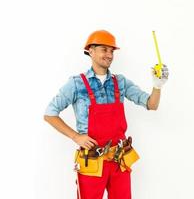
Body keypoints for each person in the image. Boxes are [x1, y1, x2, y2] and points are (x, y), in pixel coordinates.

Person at [44, 30, 169, 199]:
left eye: (112, 51)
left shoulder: (120, 82)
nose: (109, 55)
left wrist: (157, 85)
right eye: (104, 49)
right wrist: (76, 137)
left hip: (119, 160)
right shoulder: (76, 83)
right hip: (92, 162)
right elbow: (50, 114)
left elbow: (151, 105)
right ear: (91, 51)